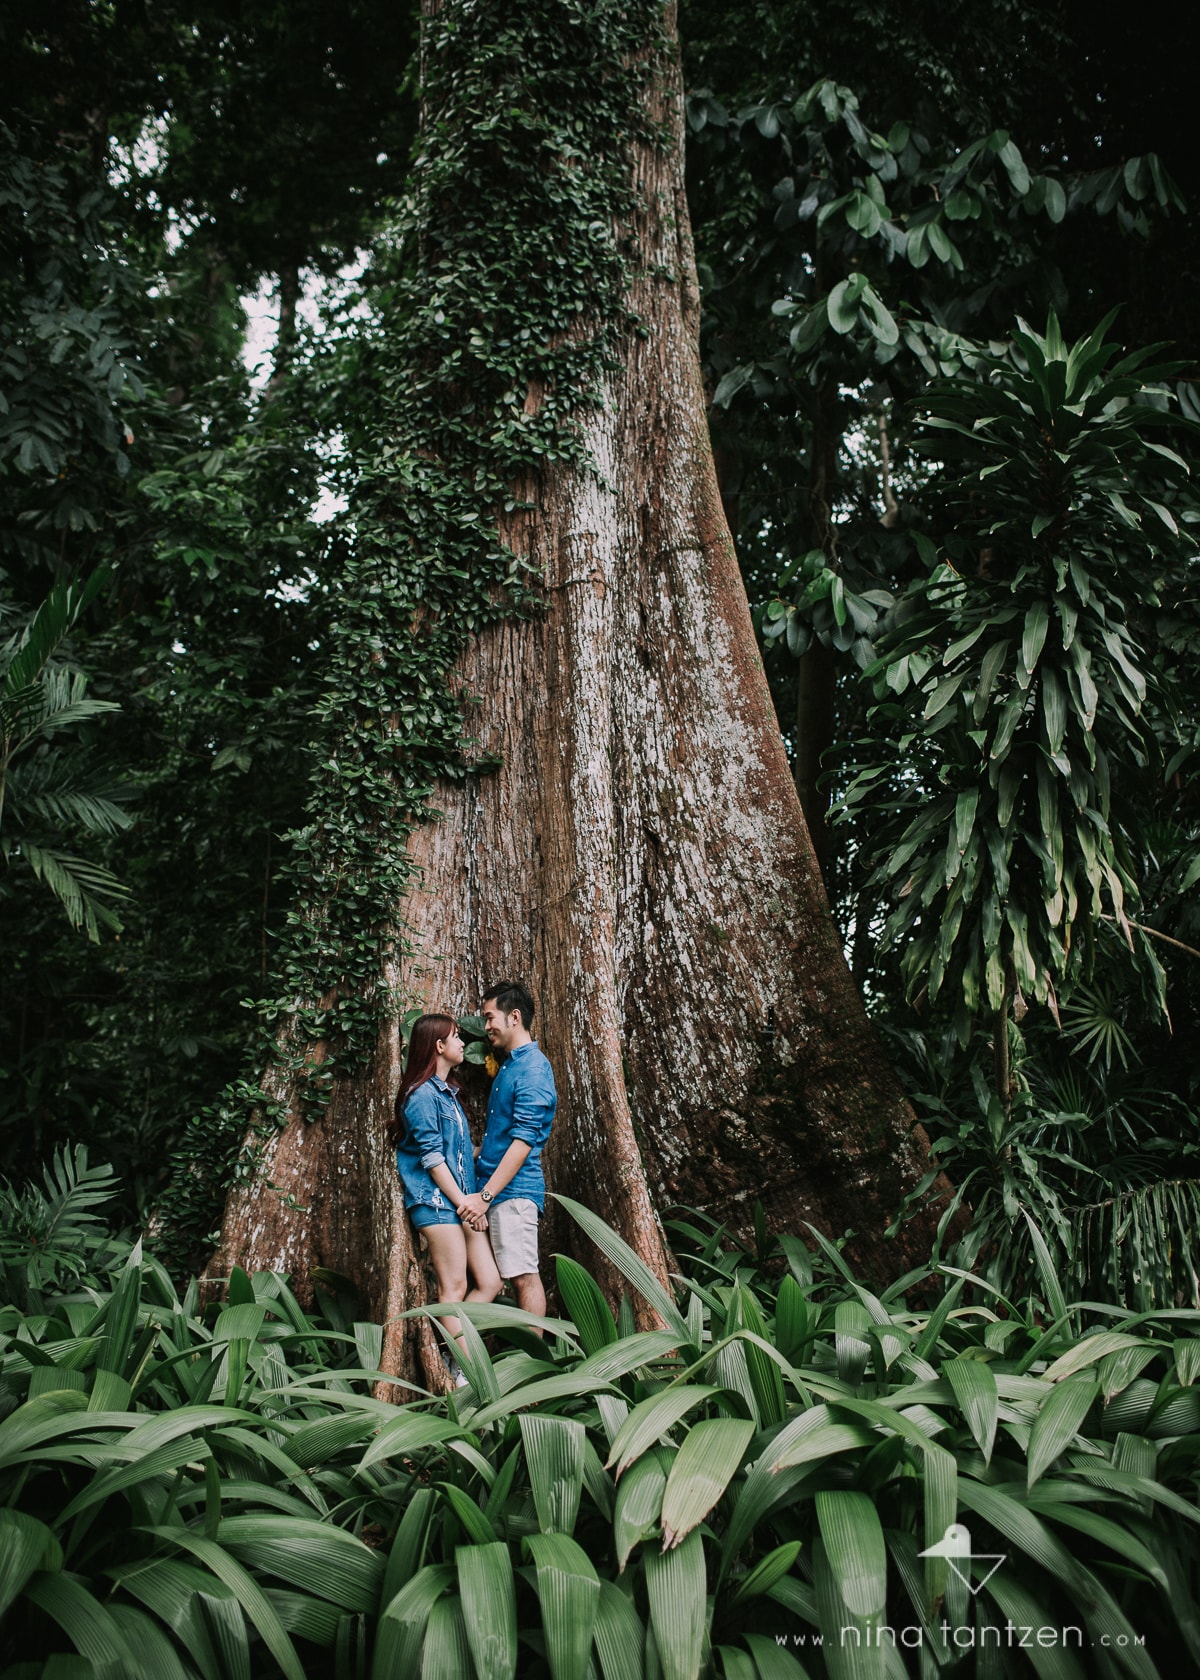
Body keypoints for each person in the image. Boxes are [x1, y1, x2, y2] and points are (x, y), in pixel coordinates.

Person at [390, 1013, 501, 1381]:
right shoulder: (420, 1096)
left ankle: (457, 1350)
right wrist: (465, 1204)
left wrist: (488, 1152)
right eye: (456, 1037)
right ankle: (465, 1369)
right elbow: (432, 1159)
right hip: (437, 1204)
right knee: (453, 1287)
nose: (461, 1044)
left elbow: (455, 1153)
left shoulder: (448, 1094)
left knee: (489, 1282)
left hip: (460, 1201)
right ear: (438, 1046)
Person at [455, 980, 557, 1322]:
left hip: (512, 1194)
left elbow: (524, 1142)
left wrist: (484, 1196)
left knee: (524, 1278)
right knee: (493, 1279)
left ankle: (533, 1369)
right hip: (495, 1190)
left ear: (514, 1017)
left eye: (489, 1017)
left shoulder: (533, 1068)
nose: (486, 1027)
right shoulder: (511, 1065)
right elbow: (506, 1138)